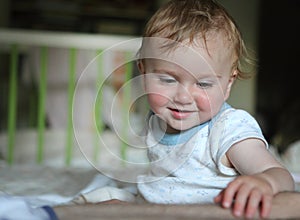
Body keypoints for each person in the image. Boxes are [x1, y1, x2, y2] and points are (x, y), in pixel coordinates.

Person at [134, 0, 295, 219]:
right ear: (143, 72)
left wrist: (264, 181)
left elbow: (280, 175)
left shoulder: (227, 129)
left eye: (203, 84)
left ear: (228, 84)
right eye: (166, 79)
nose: (182, 97)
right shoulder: (157, 118)